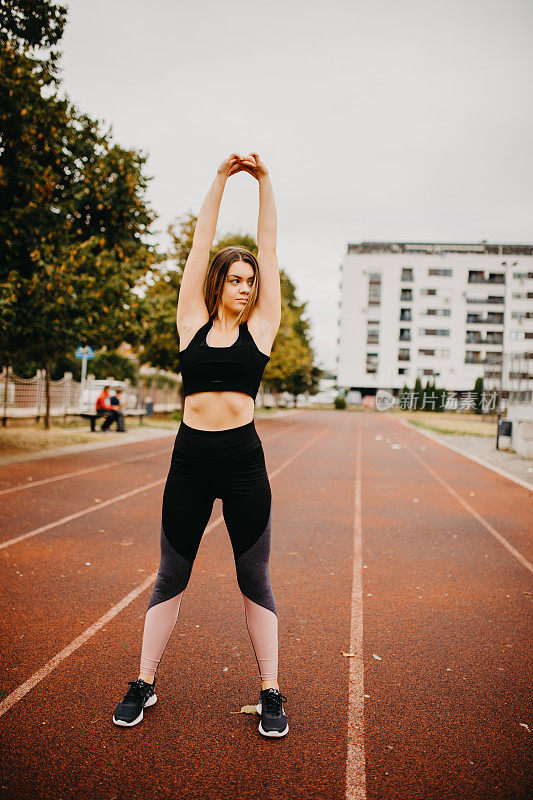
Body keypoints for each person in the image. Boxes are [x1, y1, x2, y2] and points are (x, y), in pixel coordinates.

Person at [112, 152, 288, 737]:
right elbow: (199, 245)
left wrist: (263, 183)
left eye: (251, 281)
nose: (245, 287)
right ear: (218, 283)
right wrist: (217, 180)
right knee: (171, 575)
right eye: (236, 279)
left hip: (243, 465)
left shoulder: (261, 327)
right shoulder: (190, 319)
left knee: (253, 578)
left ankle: (269, 690)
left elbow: (268, 245)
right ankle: (144, 681)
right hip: (189, 462)